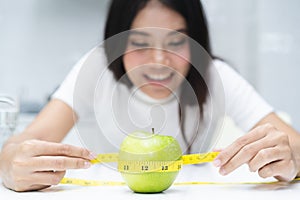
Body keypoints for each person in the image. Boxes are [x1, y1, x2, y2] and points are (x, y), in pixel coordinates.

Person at [0, 0, 299, 192]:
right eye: (141, 43)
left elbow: (294, 144)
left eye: (176, 42)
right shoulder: (96, 69)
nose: (159, 60)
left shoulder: (214, 75)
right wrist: (10, 164)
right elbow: (22, 144)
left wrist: (291, 159)